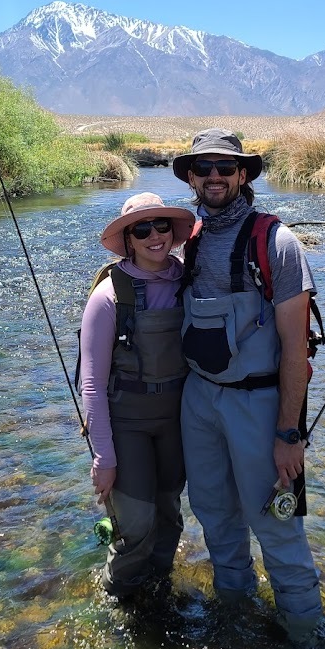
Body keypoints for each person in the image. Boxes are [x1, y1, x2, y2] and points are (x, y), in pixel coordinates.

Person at [171, 129, 322, 641]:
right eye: (204, 167)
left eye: (225, 167)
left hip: (259, 407)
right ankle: (234, 625)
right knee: (215, 519)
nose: (214, 176)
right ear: (191, 177)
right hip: (199, 401)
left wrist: (288, 434)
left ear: (243, 175)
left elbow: (296, 352)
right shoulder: (185, 239)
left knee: (278, 530)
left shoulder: (276, 243)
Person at [79, 192, 196, 598]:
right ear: (128, 239)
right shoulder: (107, 297)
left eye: (161, 225)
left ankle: (159, 593)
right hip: (127, 425)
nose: (153, 235)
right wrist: (103, 458)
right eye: (141, 229)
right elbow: (90, 385)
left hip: (176, 424)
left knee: (170, 517)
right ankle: (120, 602)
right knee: (138, 525)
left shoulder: (188, 280)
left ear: (173, 232)